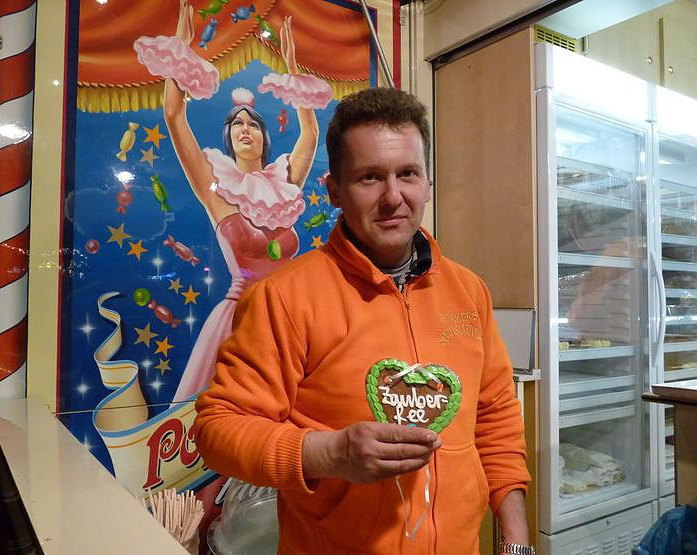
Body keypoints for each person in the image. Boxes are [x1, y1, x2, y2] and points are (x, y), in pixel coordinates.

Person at [193, 87, 533, 554]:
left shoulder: (469, 291)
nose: (393, 197)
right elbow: (218, 429)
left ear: (428, 183)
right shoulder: (283, 297)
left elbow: (495, 421)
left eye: (408, 173)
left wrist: (516, 541)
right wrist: (329, 453)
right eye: (369, 177)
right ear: (334, 190)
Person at [135, 1, 332, 402]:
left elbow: (310, 134)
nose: (245, 129)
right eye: (237, 124)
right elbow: (173, 115)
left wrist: (292, 66)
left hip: (290, 320)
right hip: (238, 322)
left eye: (253, 124)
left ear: (263, 136)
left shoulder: (284, 183)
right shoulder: (216, 187)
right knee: (227, 417)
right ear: (228, 138)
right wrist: (181, 46)